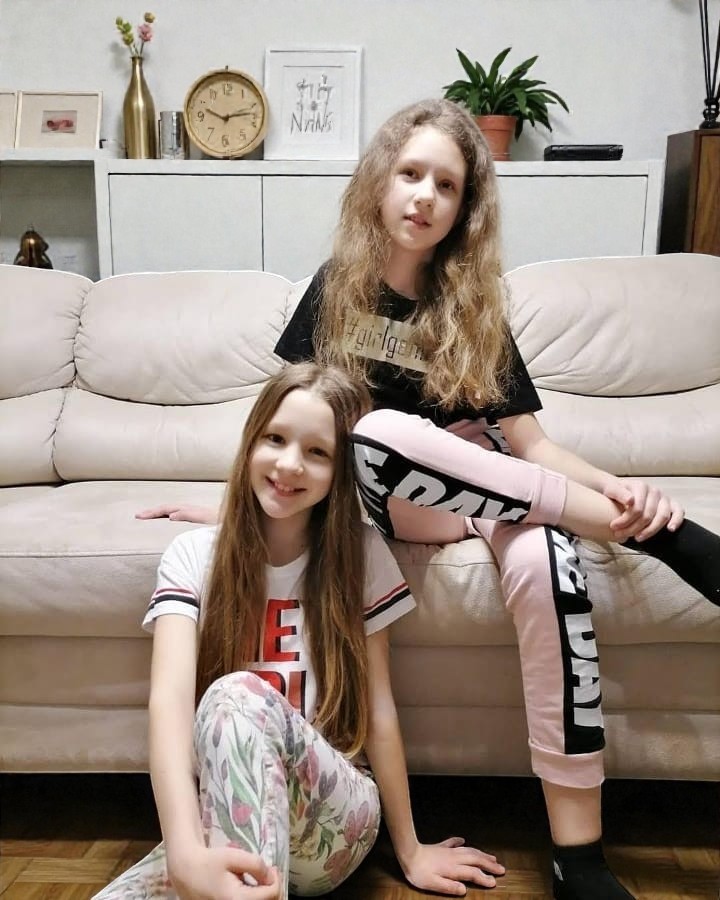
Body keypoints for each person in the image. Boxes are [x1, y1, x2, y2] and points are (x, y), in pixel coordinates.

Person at [138, 100, 720, 900]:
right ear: (380, 181)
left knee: (550, 562)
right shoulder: (335, 292)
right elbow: (289, 420)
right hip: (390, 498)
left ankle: (577, 854)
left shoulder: (473, 307)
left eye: (446, 185)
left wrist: (616, 490)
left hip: (492, 495)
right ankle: (651, 537)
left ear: (463, 208)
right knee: (377, 435)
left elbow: (532, 448)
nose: (424, 196)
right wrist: (235, 508)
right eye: (411, 173)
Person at [100, 362, 505, 900]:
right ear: (251, 441)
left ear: (340, 472)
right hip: (225, 811)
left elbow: (379, 710)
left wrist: (410, 849)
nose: (290, 464)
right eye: (275, 439)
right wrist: (184, 854)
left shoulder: (360, 556)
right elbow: (169, 704)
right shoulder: (191, 556)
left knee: (235, 695)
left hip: (336, 816)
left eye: (317, 452)